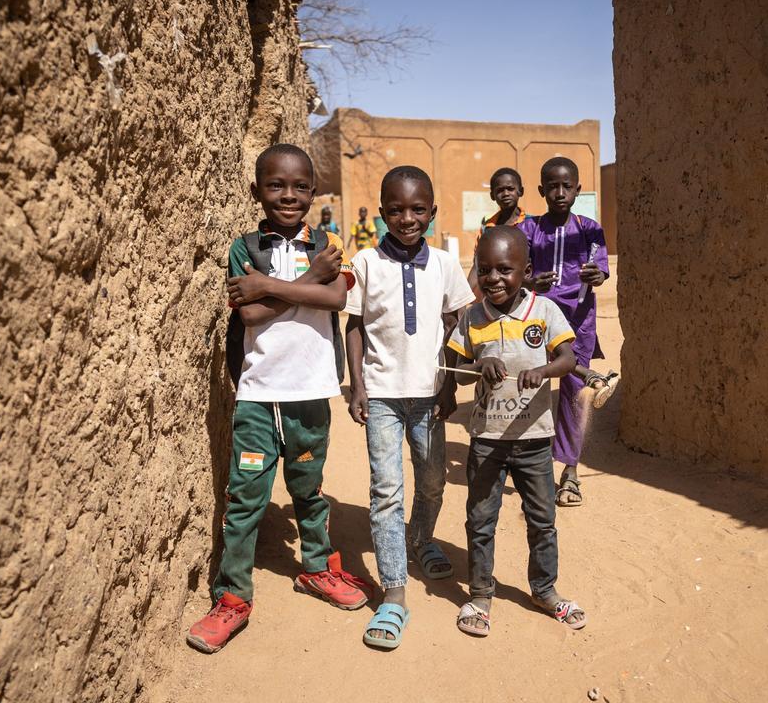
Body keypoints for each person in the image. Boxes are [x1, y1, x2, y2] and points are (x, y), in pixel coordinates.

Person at [186, 144, 368, 654]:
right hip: (258, 395)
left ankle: (315, 568)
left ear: (313, 192)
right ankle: (232, 599)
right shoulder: (245, 247)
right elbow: (249, 316)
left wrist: (271, 287)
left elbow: (337, 299)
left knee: (309, 488)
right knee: (246, 497)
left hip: (311, 393)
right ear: (256, 191)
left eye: (299, 187)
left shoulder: (329, 242)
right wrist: (306, 280)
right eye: (275, 186)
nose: (288, 196)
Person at [344, 166, 476, 650]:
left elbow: (458, 324)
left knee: (434, 478)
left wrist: (451, 382)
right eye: (396, 210)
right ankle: (394, 592)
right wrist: (357, 385)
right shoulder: (364, 263)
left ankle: (420, 537)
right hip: (380, 394)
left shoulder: (444, 264)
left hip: (429, 394)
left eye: (417, 209)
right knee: (385, 491)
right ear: (382, 213)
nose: (406, 218)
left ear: (432, 212)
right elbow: (353, 327)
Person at [445, 226, 587, 636]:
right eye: (485, 270)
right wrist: (479, 367)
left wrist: (542, 371)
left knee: (542, 520)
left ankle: (544, 589)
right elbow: (459, 373)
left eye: (504, 270)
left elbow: (567, 358)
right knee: (481, 519)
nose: (493, 279)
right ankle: (480, 595)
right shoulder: (472, 317)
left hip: (534, 441)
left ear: (526, 271)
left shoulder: (543, 312)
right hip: (488, 440)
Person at [518, 157, 612, 508]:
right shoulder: (528, 230)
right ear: (542, 190)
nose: (559, 193)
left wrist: (596, 276)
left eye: (566, 186)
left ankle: (569, 470)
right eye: (552, 187)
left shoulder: (589, 228)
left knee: (572, 397)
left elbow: (602, 269)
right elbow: (516, 273)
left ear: (577, 189)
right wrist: (529, 281)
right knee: (530, 387)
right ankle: (528, 467)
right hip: (537, 321)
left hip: (579, 321)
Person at [467, 167, 531, 298]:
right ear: (492, 195)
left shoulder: (532, 224)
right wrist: (465, 296)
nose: (506, 193)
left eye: (510, 189)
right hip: (497, 293)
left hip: (526, 294)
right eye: (500, 190)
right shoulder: (487, 227)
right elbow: (477, 264)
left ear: (521, 191)